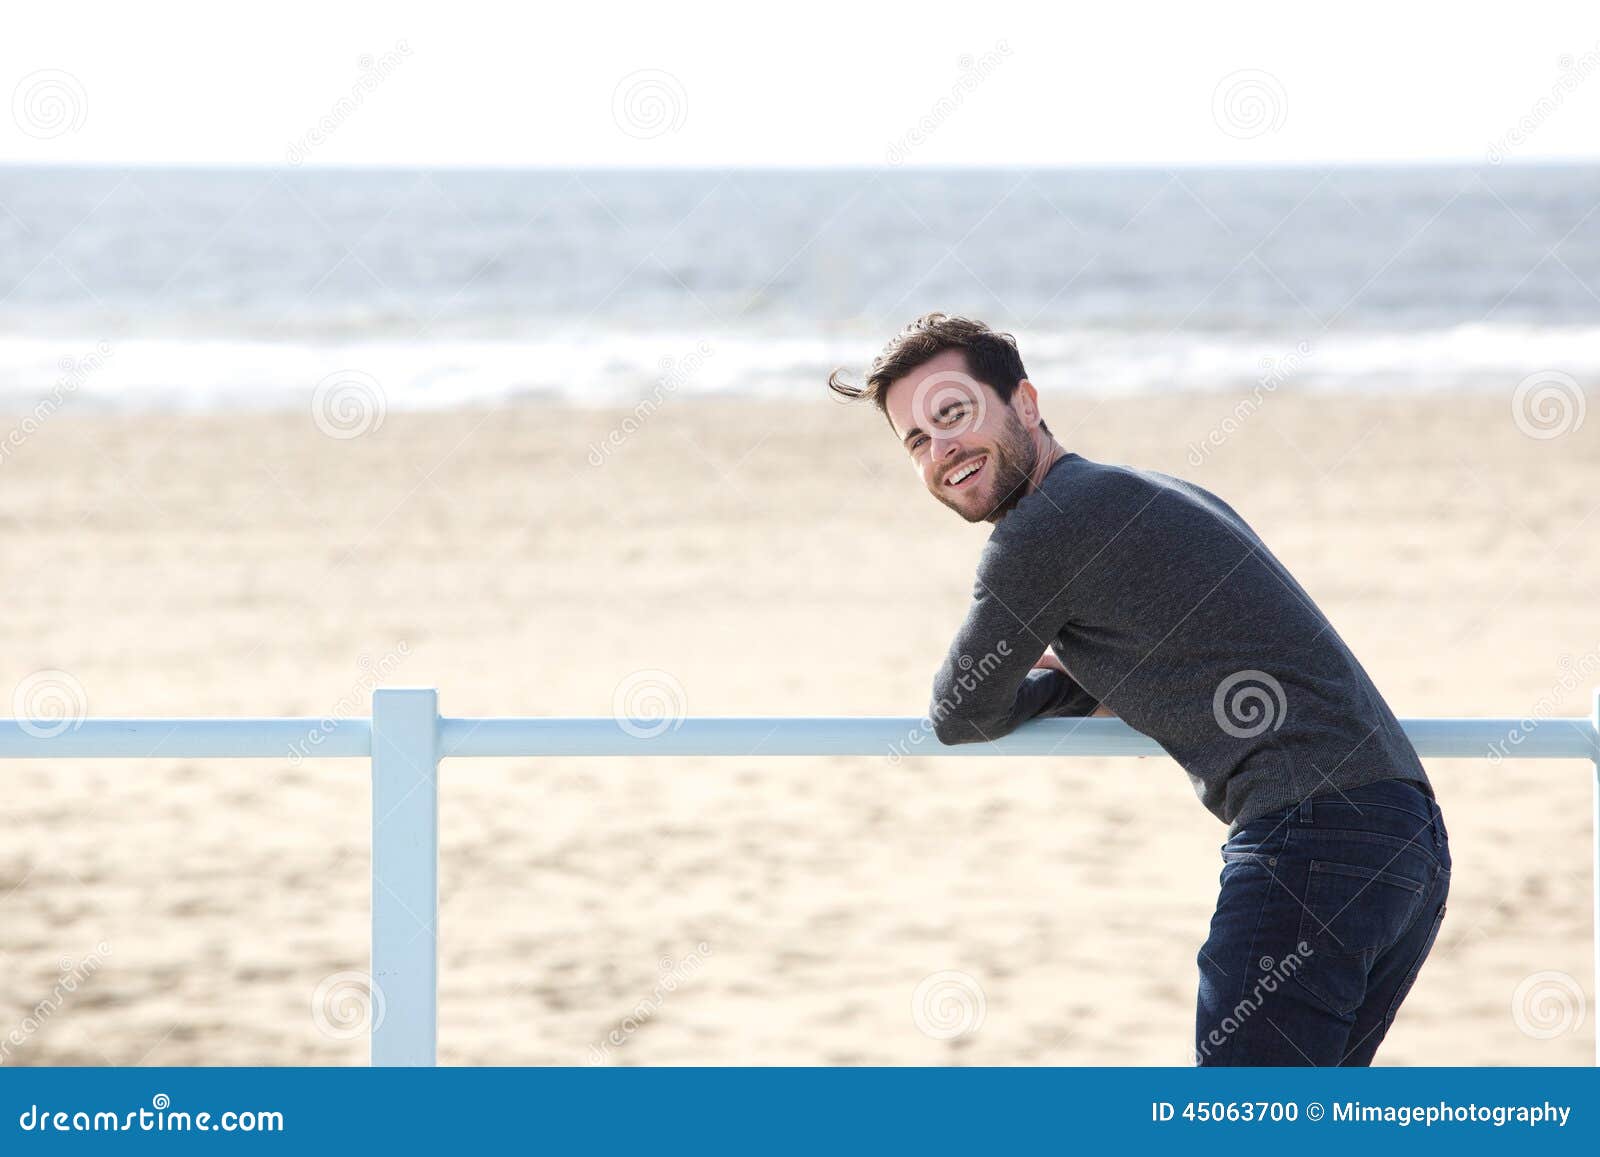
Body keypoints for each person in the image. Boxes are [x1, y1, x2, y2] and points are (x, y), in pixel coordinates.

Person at [828, 313, 1451, 1066]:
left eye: (953, 414)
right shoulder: (1152, 491)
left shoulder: (1042, 527)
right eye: (917, 442)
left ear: (1025, 401)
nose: (941, 451)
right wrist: (1091, 672)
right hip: (1405, 839)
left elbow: (959, 710)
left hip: (1309, 846)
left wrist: (1064, 684)